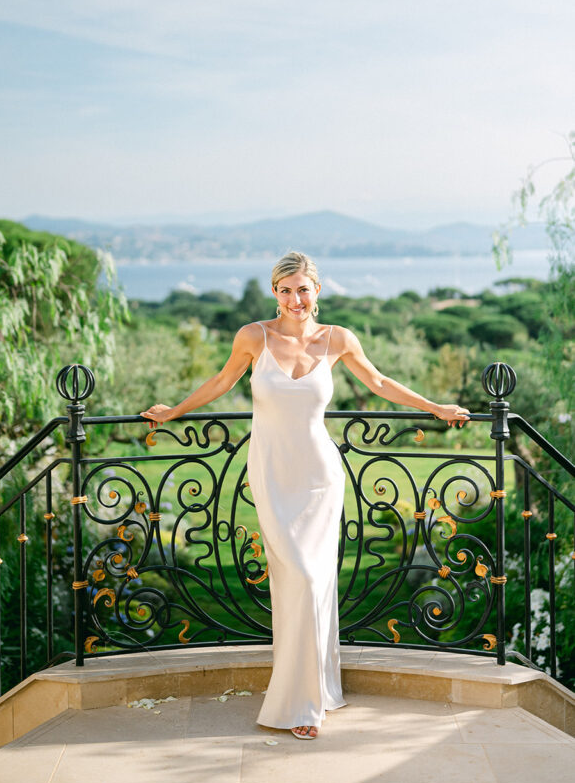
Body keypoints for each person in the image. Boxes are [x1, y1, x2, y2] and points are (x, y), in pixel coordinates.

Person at [141, 251, 470, 740]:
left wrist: (434, 406)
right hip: (272, 473)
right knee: (294, 578)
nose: (295, 299)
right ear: (275, 292)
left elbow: (378, 382)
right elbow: (221, 381)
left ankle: (307, 699)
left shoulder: (339, 339)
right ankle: (307, 693)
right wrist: (175, 411)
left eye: (303, 289)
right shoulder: (254, 337)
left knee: (315, 582)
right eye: (285, 290)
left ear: (318, 290)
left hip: (320, 476)